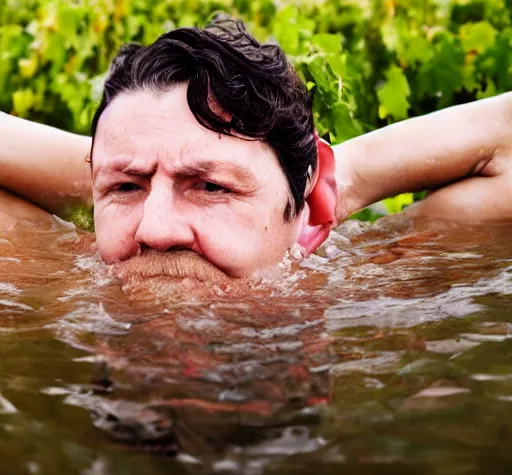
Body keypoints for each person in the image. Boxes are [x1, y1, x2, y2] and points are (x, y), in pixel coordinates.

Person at [1, 17, 512, 283]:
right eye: (127, 188)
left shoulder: (368, 282)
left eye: (210, 185)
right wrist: (113, 161)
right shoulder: (60, 276)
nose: (154, 231)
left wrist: (328, 182)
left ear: (302, 205)